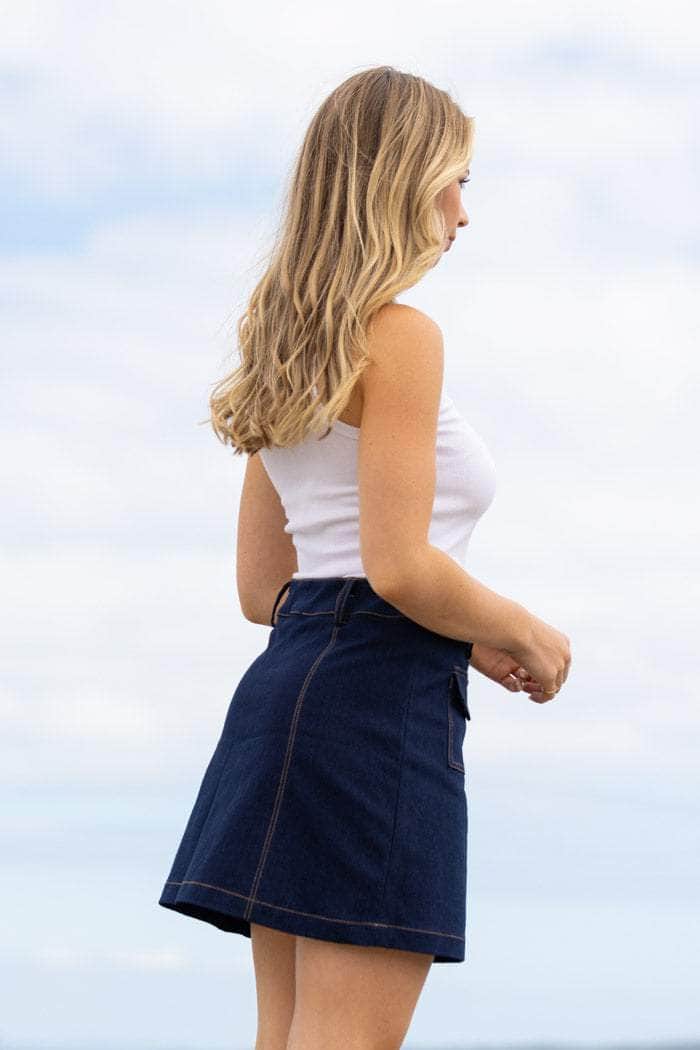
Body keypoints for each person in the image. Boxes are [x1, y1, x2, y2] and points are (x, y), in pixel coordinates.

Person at [158, 65, 571, 1050]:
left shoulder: (284, 346)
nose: (463, 212)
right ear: (402, 181)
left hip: (289, 695)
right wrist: (525, 632)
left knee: (289, 1037)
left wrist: (459, 634)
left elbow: (267, 589)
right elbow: (396, 567)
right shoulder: (402, 338)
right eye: (455, 180)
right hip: (376, 708)